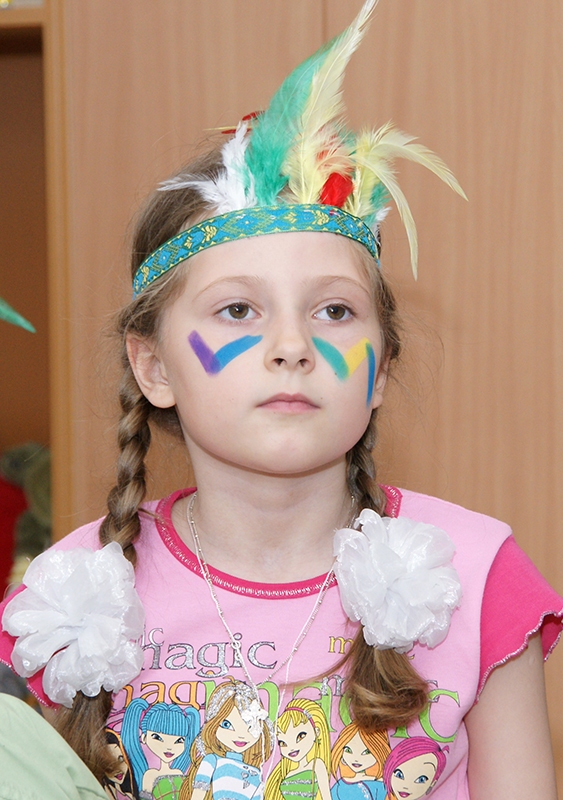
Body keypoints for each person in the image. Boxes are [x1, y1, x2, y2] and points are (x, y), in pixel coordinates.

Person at [0, 1, 561, 799]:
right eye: (237, 310)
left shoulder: (473, 575)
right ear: (153, 366)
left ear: (380, 365)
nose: (292, 345)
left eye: (333, 310)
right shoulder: (67, 596)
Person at [265, 698, 332, 800]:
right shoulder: (288, 773)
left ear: (316, 732)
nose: (291, 748)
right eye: (283, 743)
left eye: (301, 736)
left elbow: (327, 797)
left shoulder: (317, 765)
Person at [330, 722, 390, 800]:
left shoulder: (380, 785)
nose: (356, 759)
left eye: (366, 752)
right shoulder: (340, 786)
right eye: (348, 750)